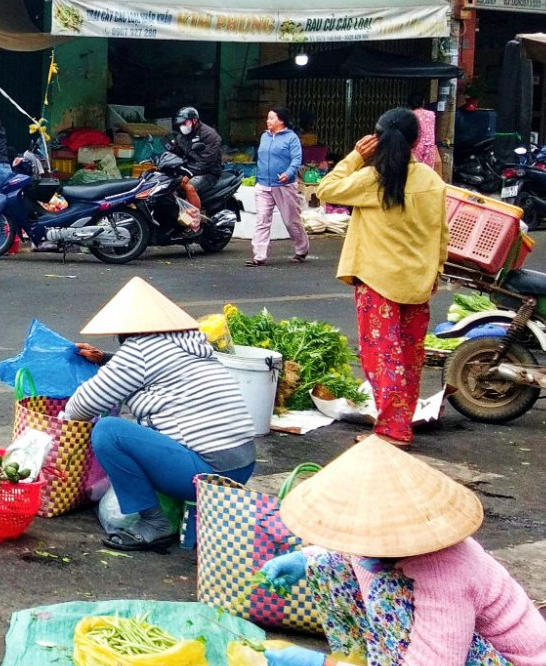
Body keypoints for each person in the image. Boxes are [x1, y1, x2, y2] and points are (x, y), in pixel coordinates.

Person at [257, 437, 546, 666]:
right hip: (459, 657)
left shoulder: (444, 573)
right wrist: (303, 560)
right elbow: (351, 555)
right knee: (326, 565)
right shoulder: (387, 542)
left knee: (391, 596)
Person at [65, 277, 256, 552]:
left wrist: (57, 427)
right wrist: (106, 359)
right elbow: (156, 370)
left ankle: (154, 524)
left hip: (208, 475)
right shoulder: (189, 343)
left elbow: (81, 406)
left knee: (109, 431)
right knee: (139, 429)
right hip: (240, 466)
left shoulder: (140, 350)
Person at [316, 107, 448, 448]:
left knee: (382, 356)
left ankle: (393, 430)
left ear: (376, 139)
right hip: (418, 281)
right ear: (417, 141)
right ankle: (400, 423)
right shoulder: (432, 181)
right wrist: (437, 271)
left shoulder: (374, 179)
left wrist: (355, 157)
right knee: (408, 355)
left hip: (377, 280)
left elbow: (326, 189)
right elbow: (442, 234)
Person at [249, 108, 310, 267]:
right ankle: (259, 256)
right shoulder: (264, 136)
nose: (267, 121)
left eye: (271, 118)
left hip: (284, 185)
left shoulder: (292, 138)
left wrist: (288, 173)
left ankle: (301, 249)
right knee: (262, 219)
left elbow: (296, 160)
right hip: (263, 184)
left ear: (281, 120)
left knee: (291, 220)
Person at [169, 105, 223, 211]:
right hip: (189, 169)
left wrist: (189, 174)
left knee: (189, 187)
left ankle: (196, 220)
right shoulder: (181, 136)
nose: (182, 126)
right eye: (180, 124)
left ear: (194, 121)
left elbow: (206, 162)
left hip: (209, 172)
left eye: (184, 123)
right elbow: (178, 154)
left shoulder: (210, 135)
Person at [410, 90, 440, 175]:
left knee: (416, 171)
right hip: (430, 147)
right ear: (422, 102)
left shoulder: (410, 115)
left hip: (416, 146)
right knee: (428, 172)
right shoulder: (431, 114)